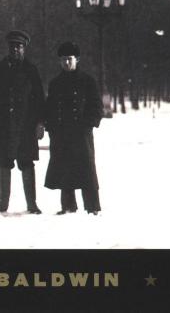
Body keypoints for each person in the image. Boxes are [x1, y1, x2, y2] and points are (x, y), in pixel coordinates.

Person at [0, 30, 45, 214]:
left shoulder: (31, 70)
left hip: (26, 125)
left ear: (24, 48)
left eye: (19, 46)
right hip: (3, 125)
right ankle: (3, 202)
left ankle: (31, 204)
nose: (16, 49)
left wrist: (40, 123)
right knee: (3, 162)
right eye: (13, 46)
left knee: (27, 163)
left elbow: (40, 98)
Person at [44, 40, 104, 214]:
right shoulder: (55, 83)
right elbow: (50, 107)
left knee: (87, 171)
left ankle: (92, 207)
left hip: (81, 134)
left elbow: (96, 107)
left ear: (77, 60)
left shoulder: (87, 81)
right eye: (63, 59)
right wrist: (51, 127)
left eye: (70, 59)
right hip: (61, 134)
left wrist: (88, 124)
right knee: (64, 170)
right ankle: (68, 207)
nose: (67, 63)